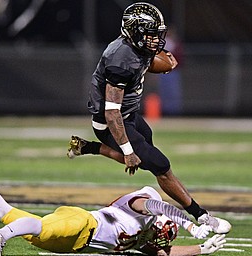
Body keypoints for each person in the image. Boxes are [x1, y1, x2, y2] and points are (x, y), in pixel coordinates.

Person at [67, 2, 231, 234]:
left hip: (130, 116)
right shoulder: (119, 60)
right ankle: (201, 215)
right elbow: (111, 112)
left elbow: (145, 63)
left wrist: (162, 65)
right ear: (135, 32)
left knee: (144, 158)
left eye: (157, 34)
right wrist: (127, 150)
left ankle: (86, 148)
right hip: (111, 123)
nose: (156, 40)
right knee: (160, 165)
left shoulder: (136, 47)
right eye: (151, 34)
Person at [0, 151, 226, 256]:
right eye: (161, 232)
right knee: (38, 226)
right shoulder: (142, 204)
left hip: (72, 245)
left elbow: (166, 254)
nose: (158, 238)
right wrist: (188, 221)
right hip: (82, 222)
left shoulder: (143, 240)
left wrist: (202, 249)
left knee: (9, 213)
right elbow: (158, 208)